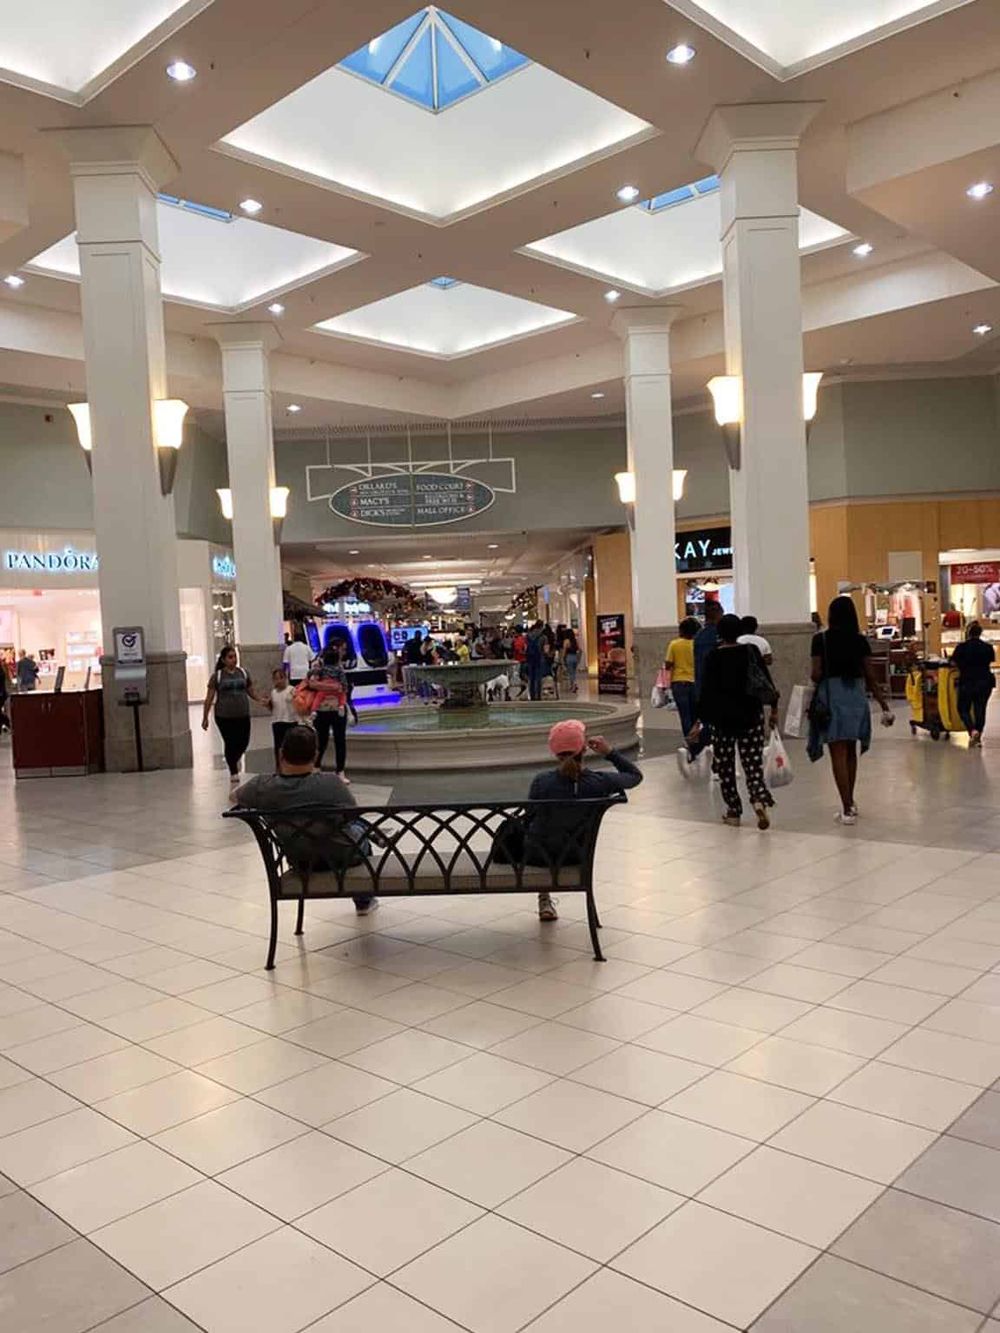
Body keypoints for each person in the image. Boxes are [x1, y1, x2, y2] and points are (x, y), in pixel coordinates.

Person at [234, 724, 377, 915]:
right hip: (342, 855)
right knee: (358, 828)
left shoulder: (262, 786)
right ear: (316, 755)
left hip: (300, 857)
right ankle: (363, 901)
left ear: (281, 753)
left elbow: (233, 797)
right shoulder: (332, 783)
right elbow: (352, 812)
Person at [526, 719, 643, 920]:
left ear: (555, 753)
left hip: (538, 857)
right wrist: (609, 752)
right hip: (577, 854)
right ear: (584, 749)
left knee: (540, 835)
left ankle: (544, 898)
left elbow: (531, 817)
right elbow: (634, 775)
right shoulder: (600, 782)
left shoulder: (541, 782)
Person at [809, 594, 894, 824]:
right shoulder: (860, 641)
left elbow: (815, 674)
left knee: (837, 752)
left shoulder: (820, 640)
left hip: (832, 697)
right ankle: (851, 802)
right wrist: (884, 705)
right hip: (856, 697)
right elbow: (871, 676)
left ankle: (846, 808)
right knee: (850, 751)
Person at [688, 613, 778, 829]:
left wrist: (698, 721)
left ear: (719, 633)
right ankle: (757, 799)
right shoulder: (751, 651)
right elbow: (766, 682)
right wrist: (774, 710)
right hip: (751, 716)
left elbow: (706, 691)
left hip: (723, 720)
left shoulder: (713, 656)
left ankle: (733, 811)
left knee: (726, 766)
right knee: (752, 763)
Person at [202, 646, 262, 788]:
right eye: (230, 657)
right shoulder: (217, 676)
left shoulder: (243, 673)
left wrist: (260, 699)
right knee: (230, 742)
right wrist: (205, 717)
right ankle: (233, 771)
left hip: (243, 714)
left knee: (243, 741)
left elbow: (250, 691)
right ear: (223, 660)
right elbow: (209, 698)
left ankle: (233, 759)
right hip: (224, 716)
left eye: (235, 656)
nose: (233, 659)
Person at [307, 645, 351, 780]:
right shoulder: (339, 671)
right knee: (339, 741)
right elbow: (344, 688)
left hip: (321, 710)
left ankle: (316, 766)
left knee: (321, 740)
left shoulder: (319, 671)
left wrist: (324, 687)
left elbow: (313, 684)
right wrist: (334, 687)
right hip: (337, 709)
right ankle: (340, 770)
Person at [952, 621, 995, 746]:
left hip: (967, 681)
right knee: (980, 709)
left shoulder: (961, 647)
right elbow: (990, 661)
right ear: (980, 633)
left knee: (963, 708)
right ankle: (978, 734)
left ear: (968, 633)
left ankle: (972, 730)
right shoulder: (988, 647)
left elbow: (953, 662)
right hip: (985, 681)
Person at [690, 599, 724, 757]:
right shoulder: (719, 637)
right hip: (717, 688)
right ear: (718, 613)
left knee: (705, 722)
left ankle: (700, 752)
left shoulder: (699, 636)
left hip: (701, 687)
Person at [665, 617, 700, 740]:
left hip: (679, 683)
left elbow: (668, 664)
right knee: (695, 714)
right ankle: (697, 739)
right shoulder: (697, 644)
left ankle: (689, 741)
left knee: (685, 715)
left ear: (681, 630)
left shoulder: (674, 644)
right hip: (695, 683)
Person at [268, 668, 297, 767]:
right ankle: (279, 766)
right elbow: (273, 707)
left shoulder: (292, 690)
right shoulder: (273, 692)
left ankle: (291, 765)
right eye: (276, 679)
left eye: (281, 678)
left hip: (290, 721)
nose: (279, 681)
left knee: (290, 745)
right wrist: (267, 704)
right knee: (278, 746)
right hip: (277, 721)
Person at [526, 621, 546, 701]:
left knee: (531, 677)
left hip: (530, 658)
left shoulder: (528, 635)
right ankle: (538, 695)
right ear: (541, 626)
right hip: (539, 658)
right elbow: (546, 650)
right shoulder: (543, 637)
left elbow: (525, 647)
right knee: (538, 678)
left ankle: (532, 695)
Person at [559, 626, 580, 694]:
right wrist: (578, 658)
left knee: (570, 673)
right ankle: (573, 685)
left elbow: (564, 651)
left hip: (569, 657)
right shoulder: (575, 640)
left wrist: (562, 658)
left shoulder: (566, 641)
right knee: (574, 672)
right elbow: (579, 649)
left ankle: (573, 685)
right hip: (575, 657)